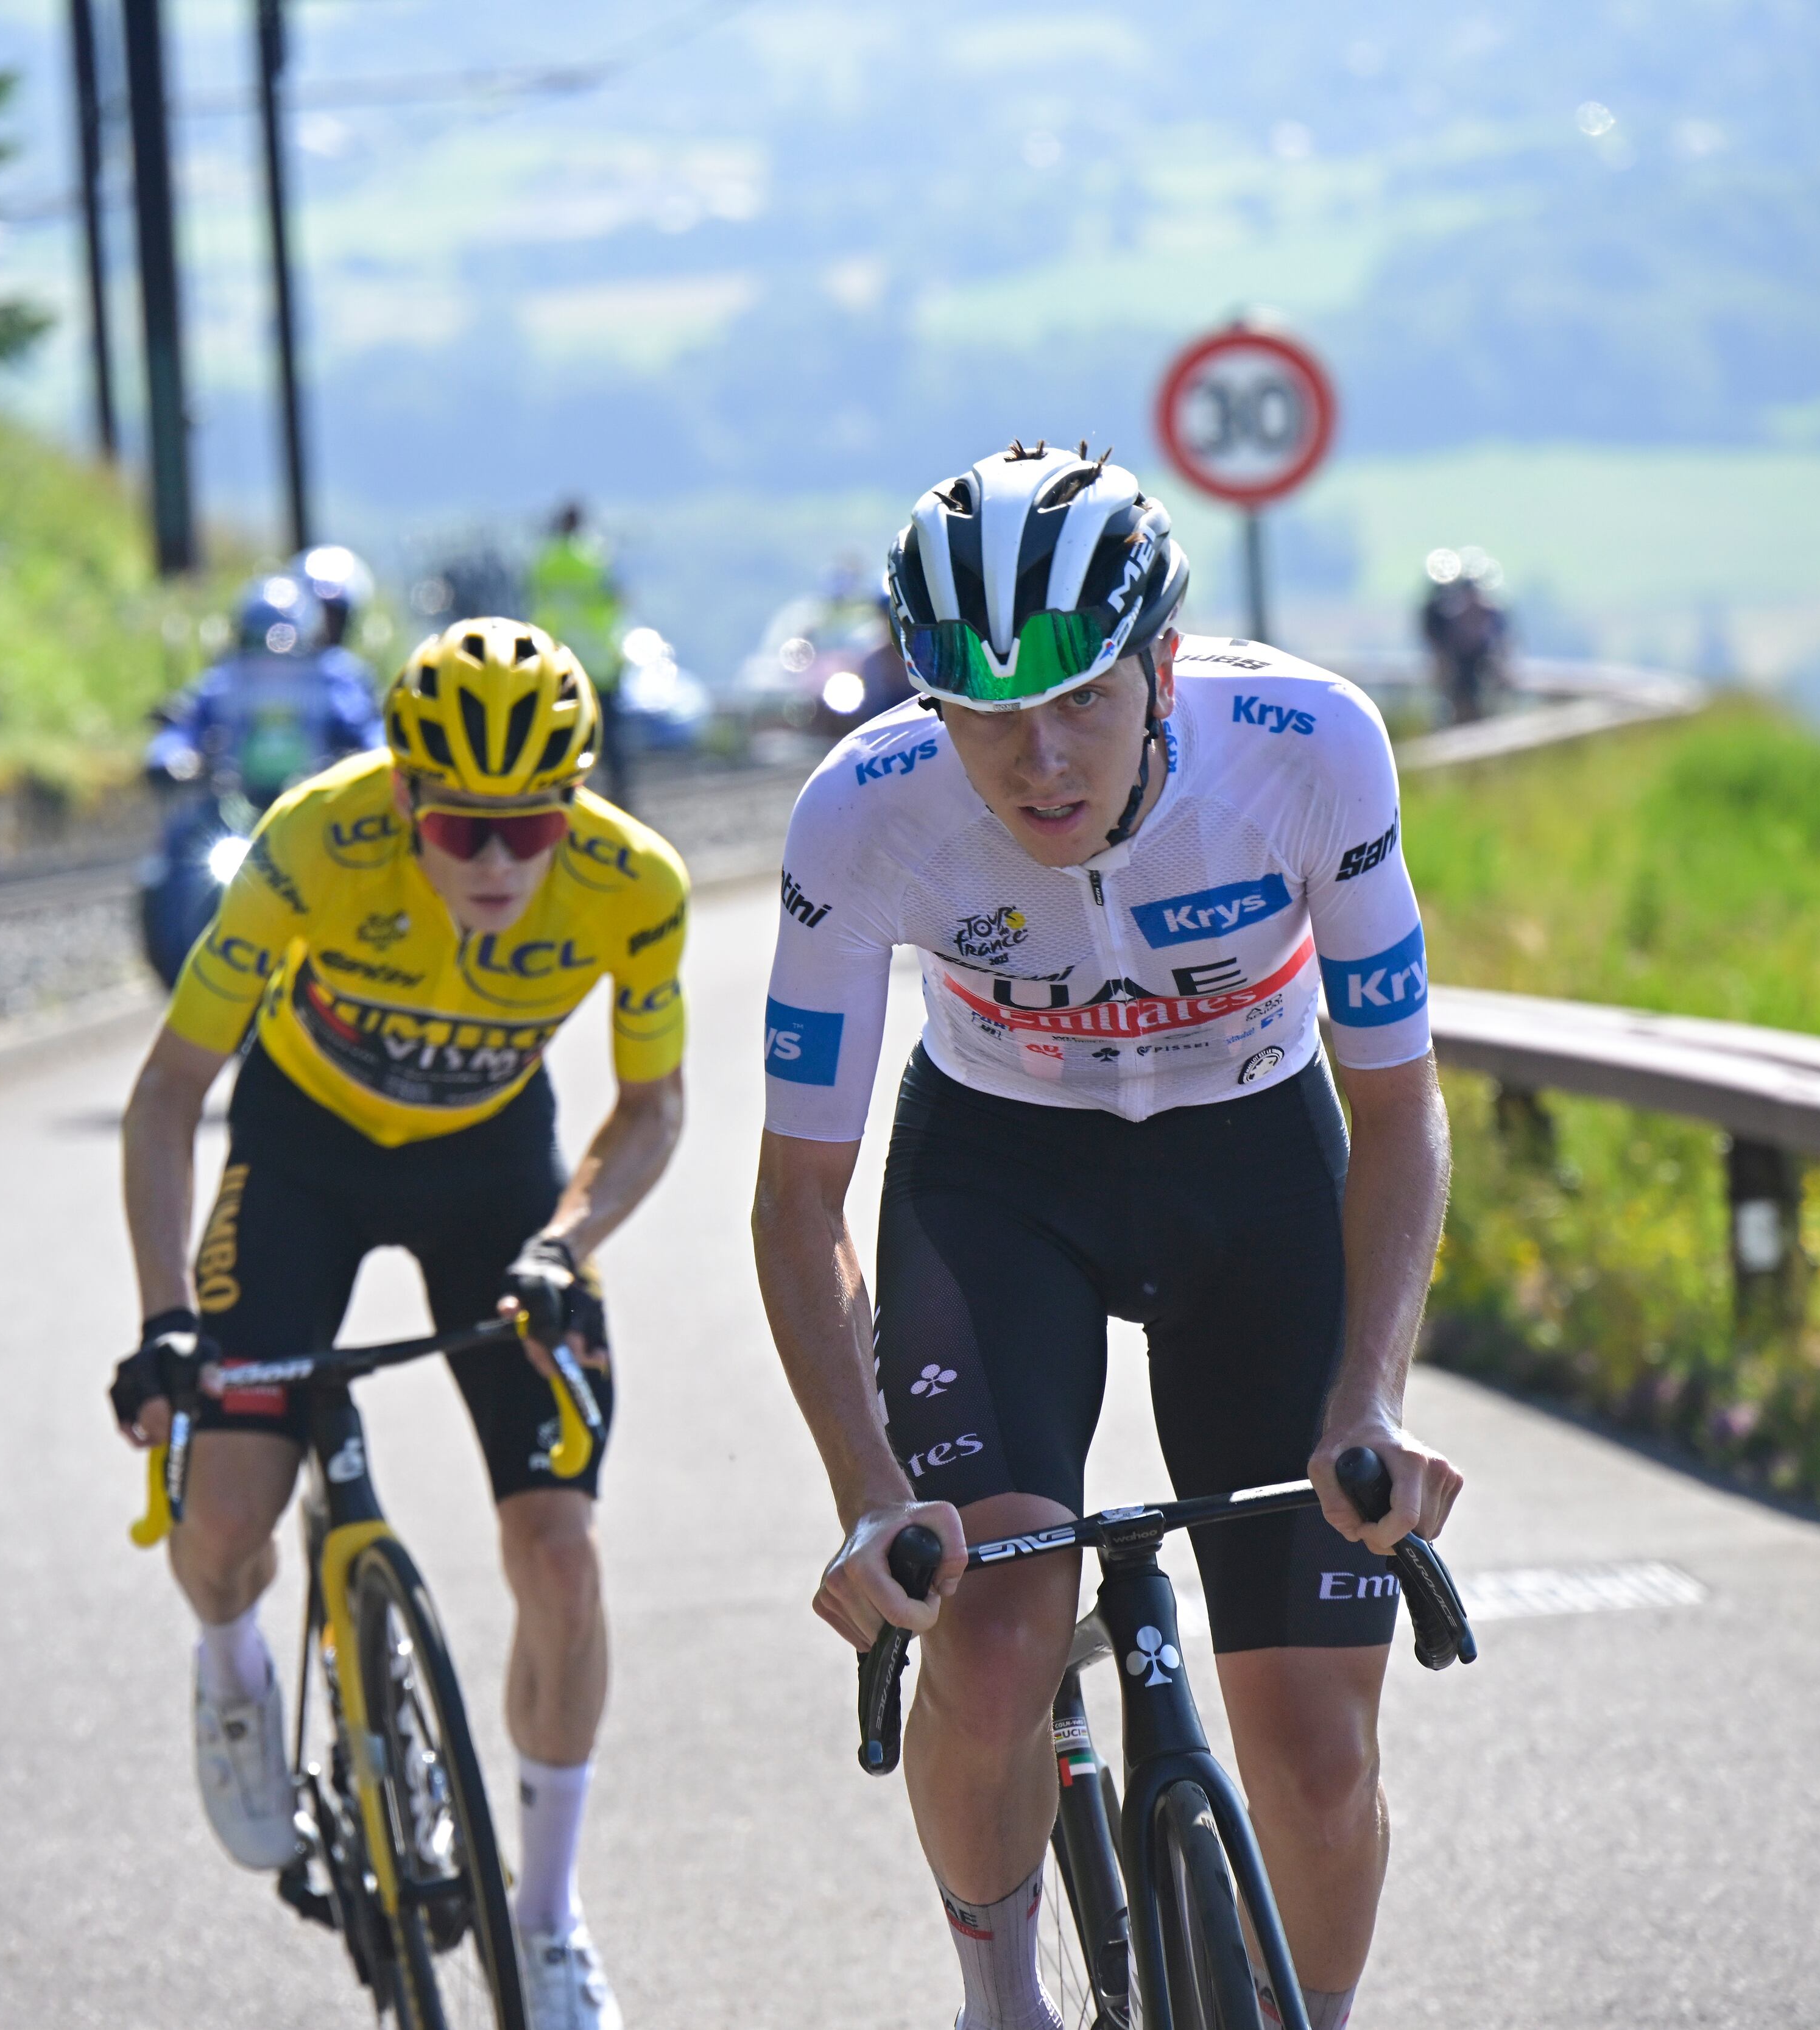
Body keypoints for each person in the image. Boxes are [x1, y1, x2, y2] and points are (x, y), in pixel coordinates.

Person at [751, 443, 1458, 2030]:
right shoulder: (863, 813)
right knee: (994, 1639)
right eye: (986, 710)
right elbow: (799, 1195)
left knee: (1320, 1752)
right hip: (1001, 1176)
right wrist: (872, 1496)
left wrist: (1373, 1401)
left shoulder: (1310, 748)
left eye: (1082, 696)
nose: (1040, 754)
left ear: (1162, 661)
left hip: (1257, 1154)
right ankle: (1001, 2001)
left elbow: (1401, 1107)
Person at [112, 618, 690, 2030]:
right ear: (402, 796)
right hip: (302, 1155)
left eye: (530, 825)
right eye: (462, 827)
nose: (497, 861)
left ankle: (546, 1922)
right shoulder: (316, 841)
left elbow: (655, 1104)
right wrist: (165, 1324)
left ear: (576, 806)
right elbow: (170, 1092)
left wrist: (568, 1243)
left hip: (493, 1176)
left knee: (559, 1552)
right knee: (228, 1519)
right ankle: (237, 1672)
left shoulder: (635, 884)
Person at [146, 560, 385, 802]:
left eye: (286, 644)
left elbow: (368, 728)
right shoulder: (225, 680)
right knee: (183, 835)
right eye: (257, 643)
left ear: (310, 641)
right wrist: (170, 756)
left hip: (318, 807)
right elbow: (185, 725)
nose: (271, 660)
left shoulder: (331, 678)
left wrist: (378, 756)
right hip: (232, 805)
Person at [529, 501, 632, 809]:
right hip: (600, 661)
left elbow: (535, 602)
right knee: (610, 738)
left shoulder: (543, 561)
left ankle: (562, 799)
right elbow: (618, 599)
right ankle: (619, 800)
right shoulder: (596, 555)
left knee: (561, 737)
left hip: (559, 662)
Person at [1417, 548, 1508, 727]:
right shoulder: (1447, 615)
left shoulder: (1491, 614)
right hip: (1459, 673)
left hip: (1481, 672)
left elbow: (1502, 644)